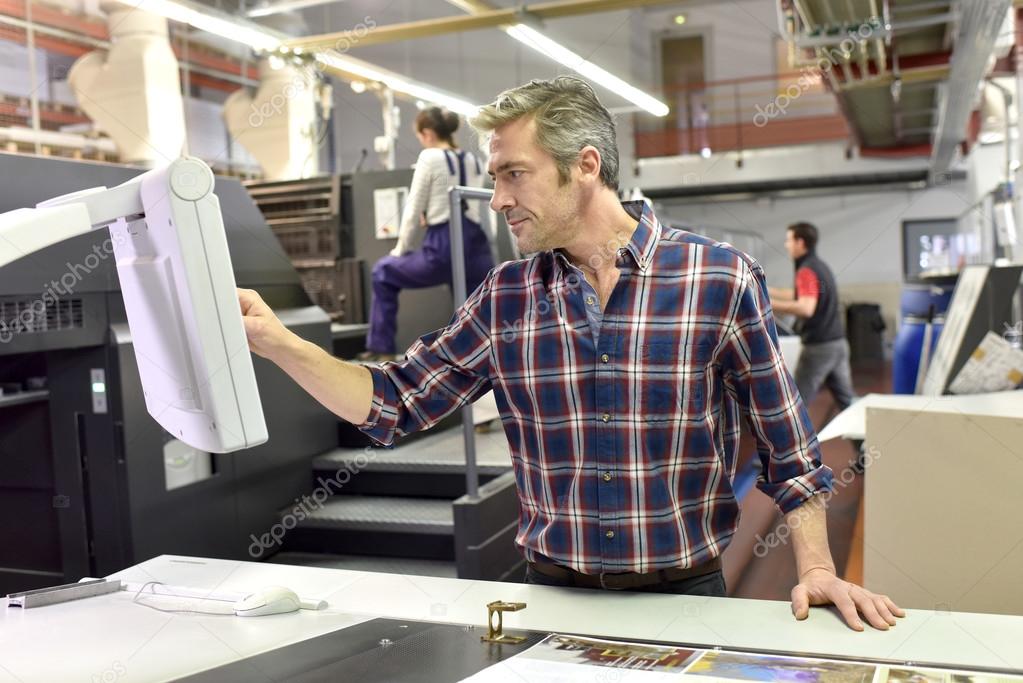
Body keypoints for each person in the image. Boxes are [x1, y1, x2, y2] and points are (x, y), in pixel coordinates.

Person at [238, 77, 902, 631]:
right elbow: (393, 402)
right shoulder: (505, 296)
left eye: (512, 174)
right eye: (494, 176)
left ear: (585, 165)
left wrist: (815, 567)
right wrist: (279, 343)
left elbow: (790, 450)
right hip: (551, 600)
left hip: (686, 596)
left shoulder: (718, 280)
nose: (497, 199)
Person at [362, 106, 494, 360]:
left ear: (429, 133)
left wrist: (400, 250)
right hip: (477, 246)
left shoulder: (429, 157)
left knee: (383, 271)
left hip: (443, 245)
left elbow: (413, 209)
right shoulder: (474, 160)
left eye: (420, 135)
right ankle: (485, 356)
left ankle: (381, 348)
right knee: (474, 302)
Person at [767, 223, 857, 417]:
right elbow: (802, 295)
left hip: (819, 348)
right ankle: (865, 445)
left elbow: (806, 307)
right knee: (847, 402)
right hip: (837, 343)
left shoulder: (806, 270)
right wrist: (766, 290)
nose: (786, 245)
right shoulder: (819, 266)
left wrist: (765, 305)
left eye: (789, 240)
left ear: (800, 242)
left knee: (795, 404)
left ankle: (789, 446)